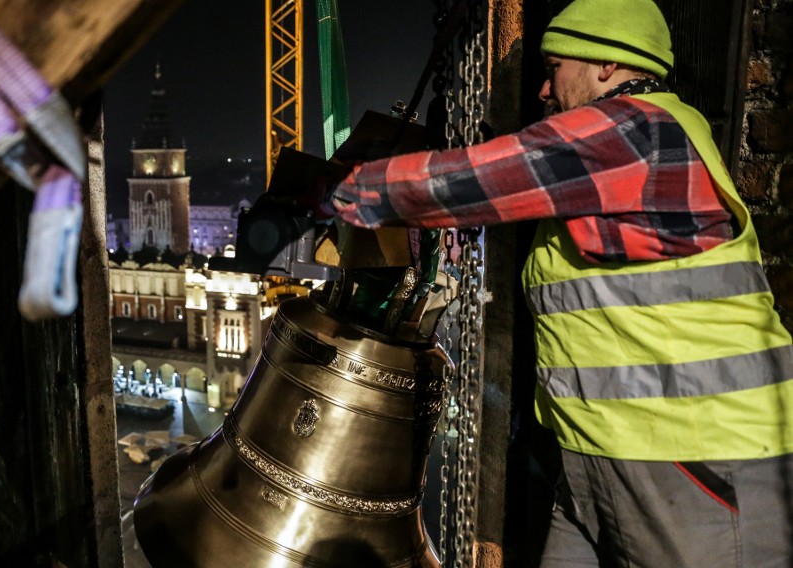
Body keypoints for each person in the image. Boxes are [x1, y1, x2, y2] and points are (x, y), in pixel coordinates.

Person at [326, 0, 793, 566]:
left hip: (694, 460)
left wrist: (347, 190)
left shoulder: (636, 133)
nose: (545, 92)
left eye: (554, 69)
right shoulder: (619, 154)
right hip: (599, 458)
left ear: (604, 66)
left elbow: (482, 180)